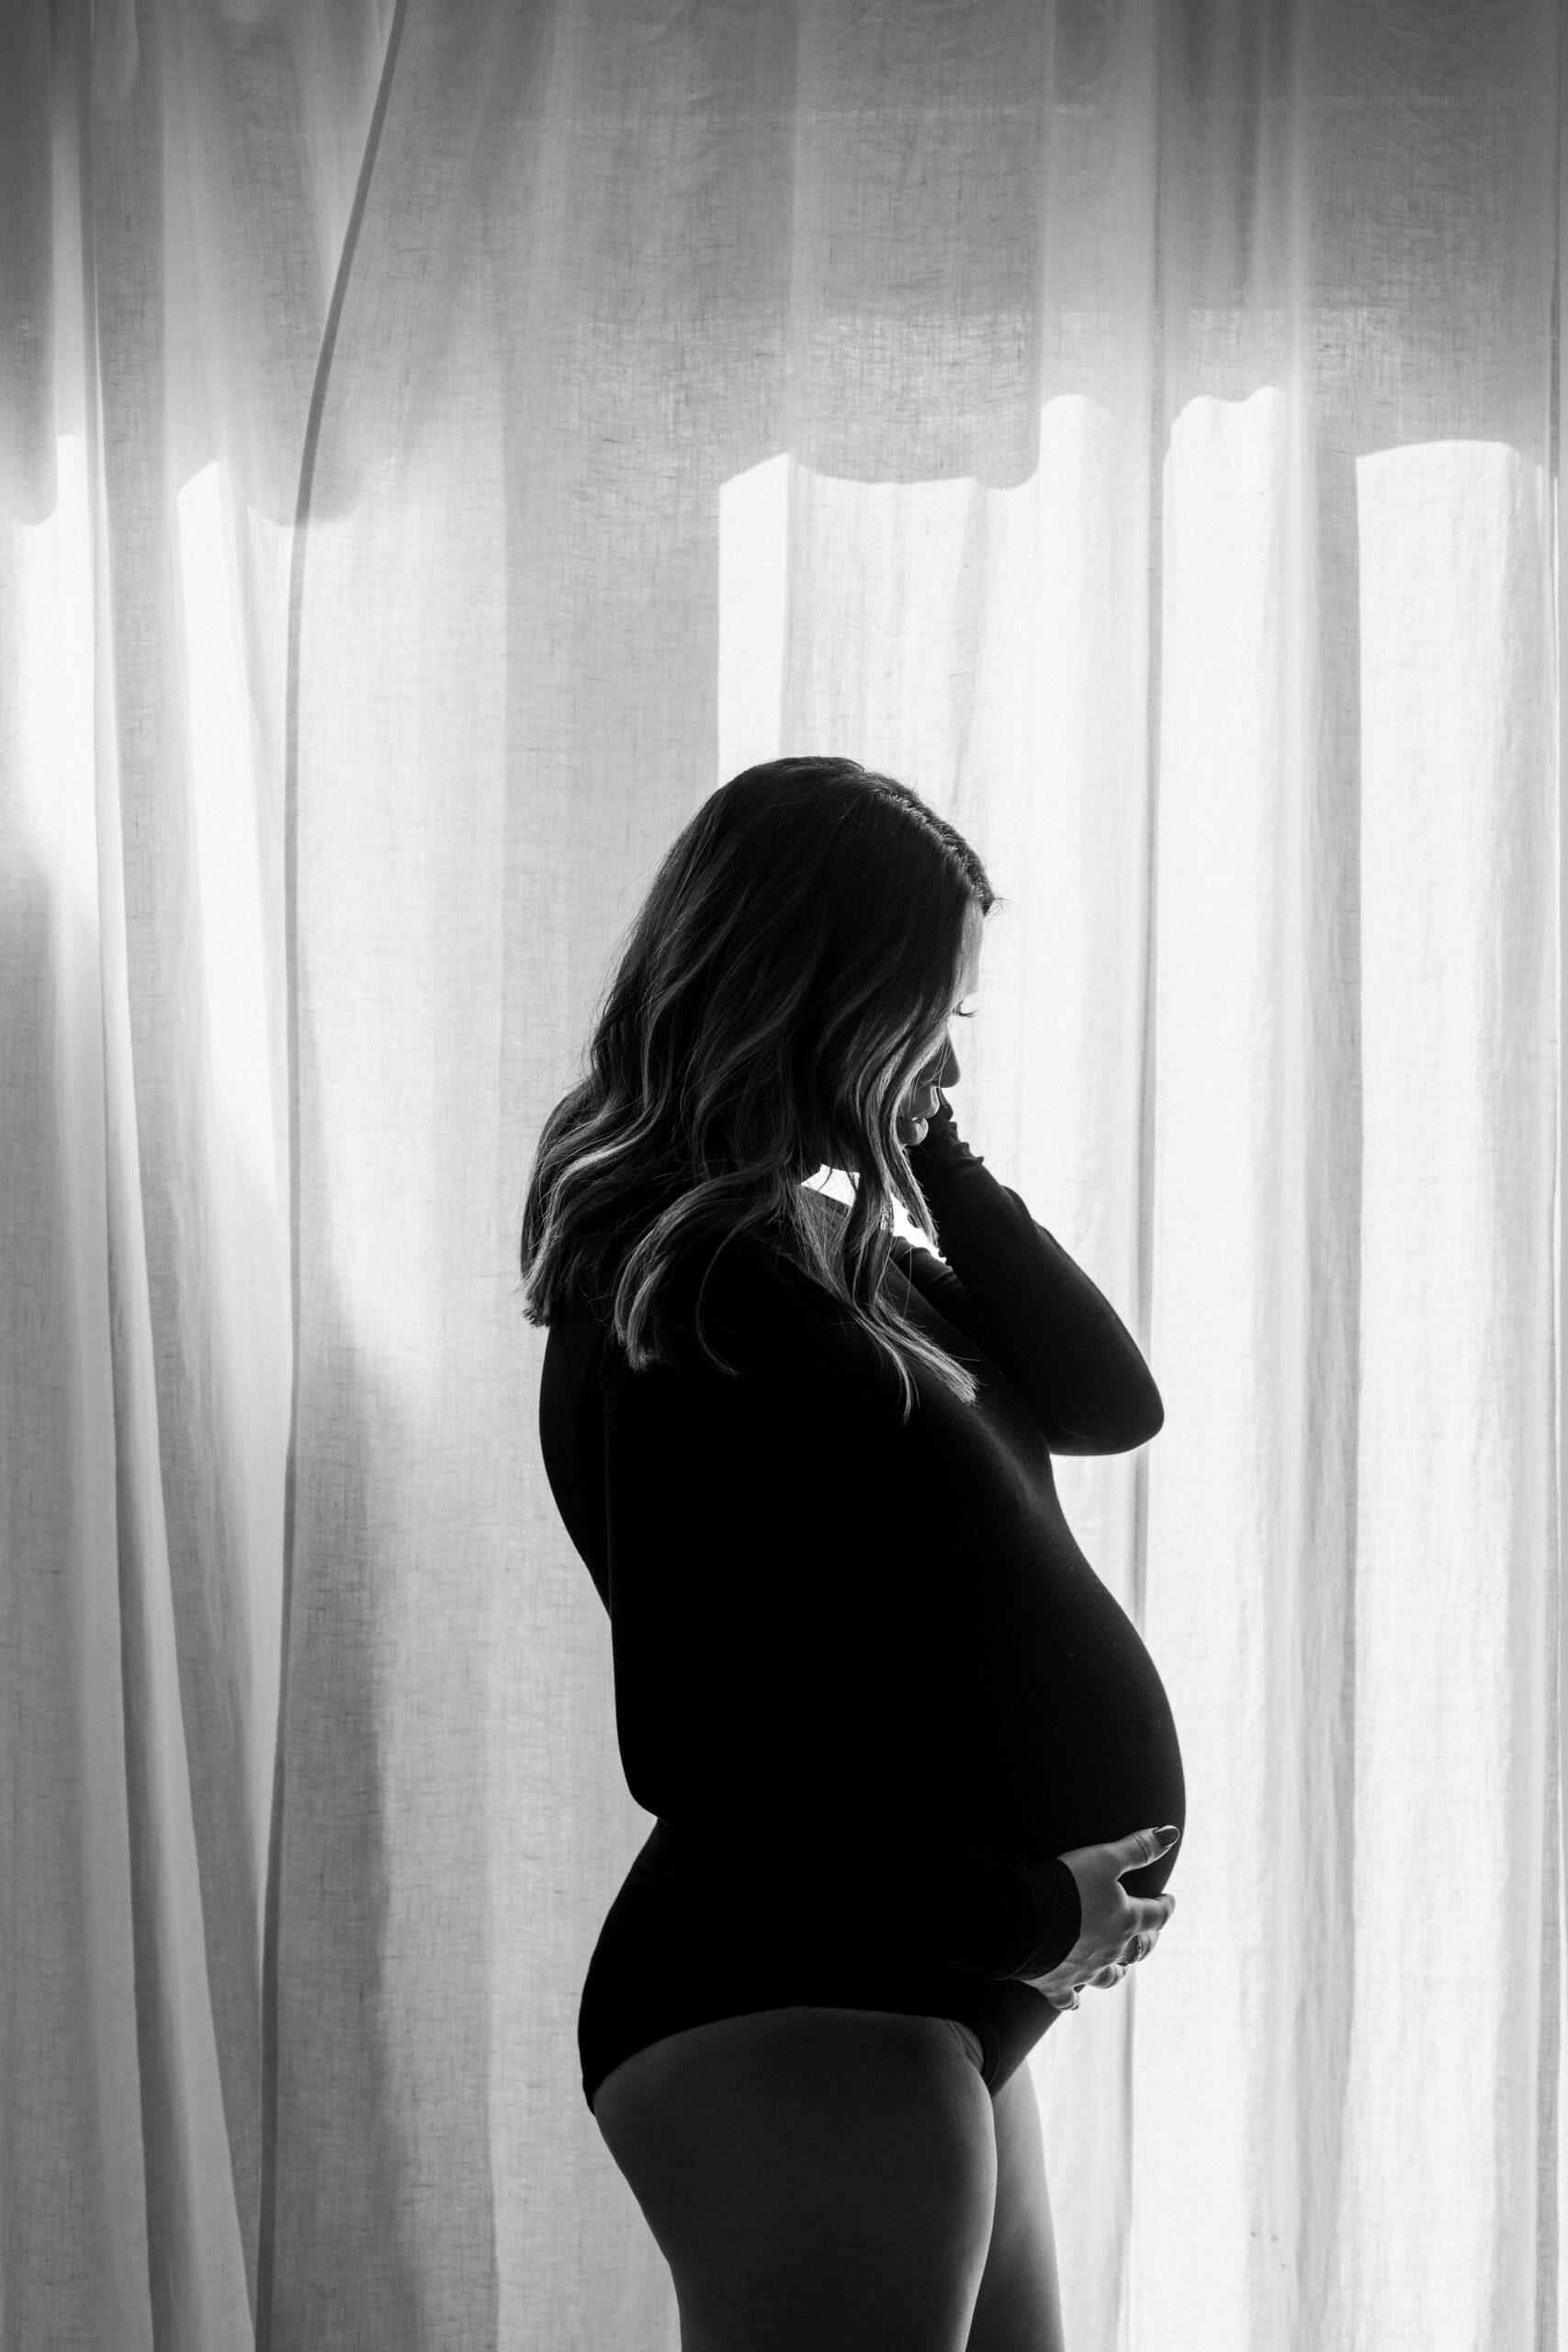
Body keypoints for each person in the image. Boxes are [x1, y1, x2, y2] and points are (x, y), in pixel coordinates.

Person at [524, 755, 1184, 2352]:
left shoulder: (833, 1252)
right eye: (927, 1011)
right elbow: (690, 1743)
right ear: (820, 991)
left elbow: (1110, 1402)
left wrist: (936, 1153)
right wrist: (1030, 1912)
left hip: (920, 1992)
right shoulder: (679, 1280)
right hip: (803, 1997)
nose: (944, 1054)